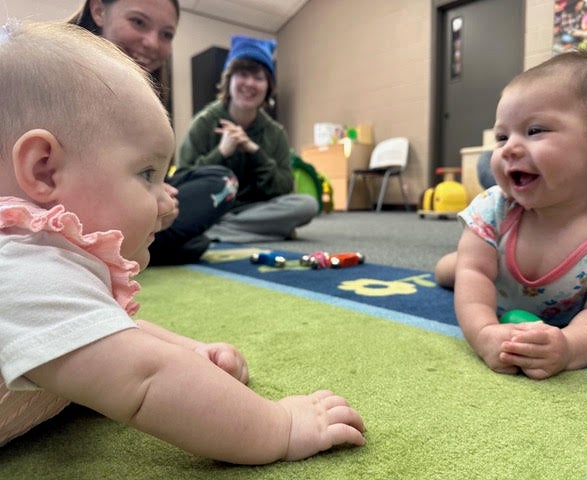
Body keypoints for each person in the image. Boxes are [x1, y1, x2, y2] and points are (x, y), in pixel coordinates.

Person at [0, 20, 366, 461]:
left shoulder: (49, 270)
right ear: (43, 170)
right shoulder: (23, 268)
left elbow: (111, 329)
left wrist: (190, 351)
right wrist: (280, 425)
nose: (165, 200)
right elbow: (146, 379)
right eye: (147, 174)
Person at [443, 51, 587, 380]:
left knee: (471, 262)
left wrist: (569, 346)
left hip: (566, 305)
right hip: (495, 272)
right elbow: (475, 276)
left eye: (534, 131)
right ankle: (456, 259)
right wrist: (484, 333)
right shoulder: (495, 206)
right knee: (461, 268)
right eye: (502, 137)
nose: (509, 148)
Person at [69, 0, 239, 265]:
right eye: (138, 22)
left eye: (166, 34)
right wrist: (147, 194)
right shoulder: (59, 78)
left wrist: (154, 188)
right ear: (99, 10)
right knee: (194, 236)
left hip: (139, 199)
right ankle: (136, 245)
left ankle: (139, 242)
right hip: (81, 206)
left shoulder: (147, 94)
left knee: (221, 180)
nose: (151, 42)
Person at [178, 34, 318, 243]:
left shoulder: (275, 132)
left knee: (307, 205)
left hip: (256, 210)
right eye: (243, 74)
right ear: (229, 80)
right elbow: (182, 184)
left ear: (268, 87)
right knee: (178, 210)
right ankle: (267, 232)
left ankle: (215, 232)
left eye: (259, 78)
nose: (250, 84)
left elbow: (284, 187)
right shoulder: (204, 122)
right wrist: (222, 152)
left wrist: (254, 151)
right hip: (213, 208)